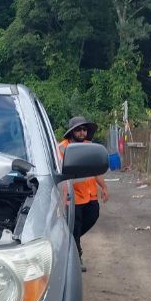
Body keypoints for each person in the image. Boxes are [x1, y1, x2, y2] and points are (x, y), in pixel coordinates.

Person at [57, 116, 109, 272]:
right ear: (71, 132)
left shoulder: (89, 147)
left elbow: (96, 170)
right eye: (78, 129)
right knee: (75, 226)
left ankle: (71, 241)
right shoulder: (61, 148)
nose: (82, 132)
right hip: (72, 197)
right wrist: (61, 197)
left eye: (84, 129)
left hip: (90, 195)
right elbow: (59, 173)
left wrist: (104, 187)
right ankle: (76, 255)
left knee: (92, 216)